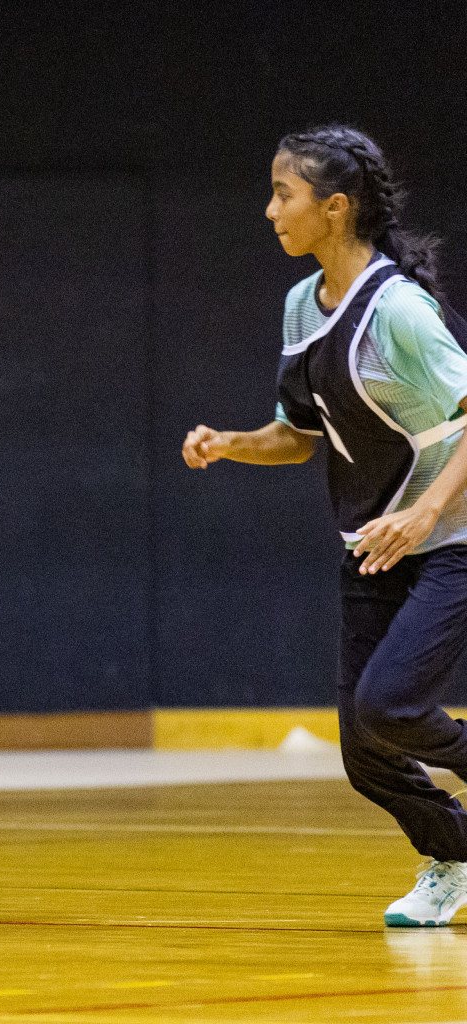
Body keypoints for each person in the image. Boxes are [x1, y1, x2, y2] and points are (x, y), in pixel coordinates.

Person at [183, 125, 467, 927]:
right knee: (364, 756)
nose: (269, 209)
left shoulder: (401, 311)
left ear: (335, 209)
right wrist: (232, 445)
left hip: (452, 541)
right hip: (372, 550)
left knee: (391, 709)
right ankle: (453, 857)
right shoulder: (300, 305)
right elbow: (298, 434)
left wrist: (426, 510)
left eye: (284, 193)